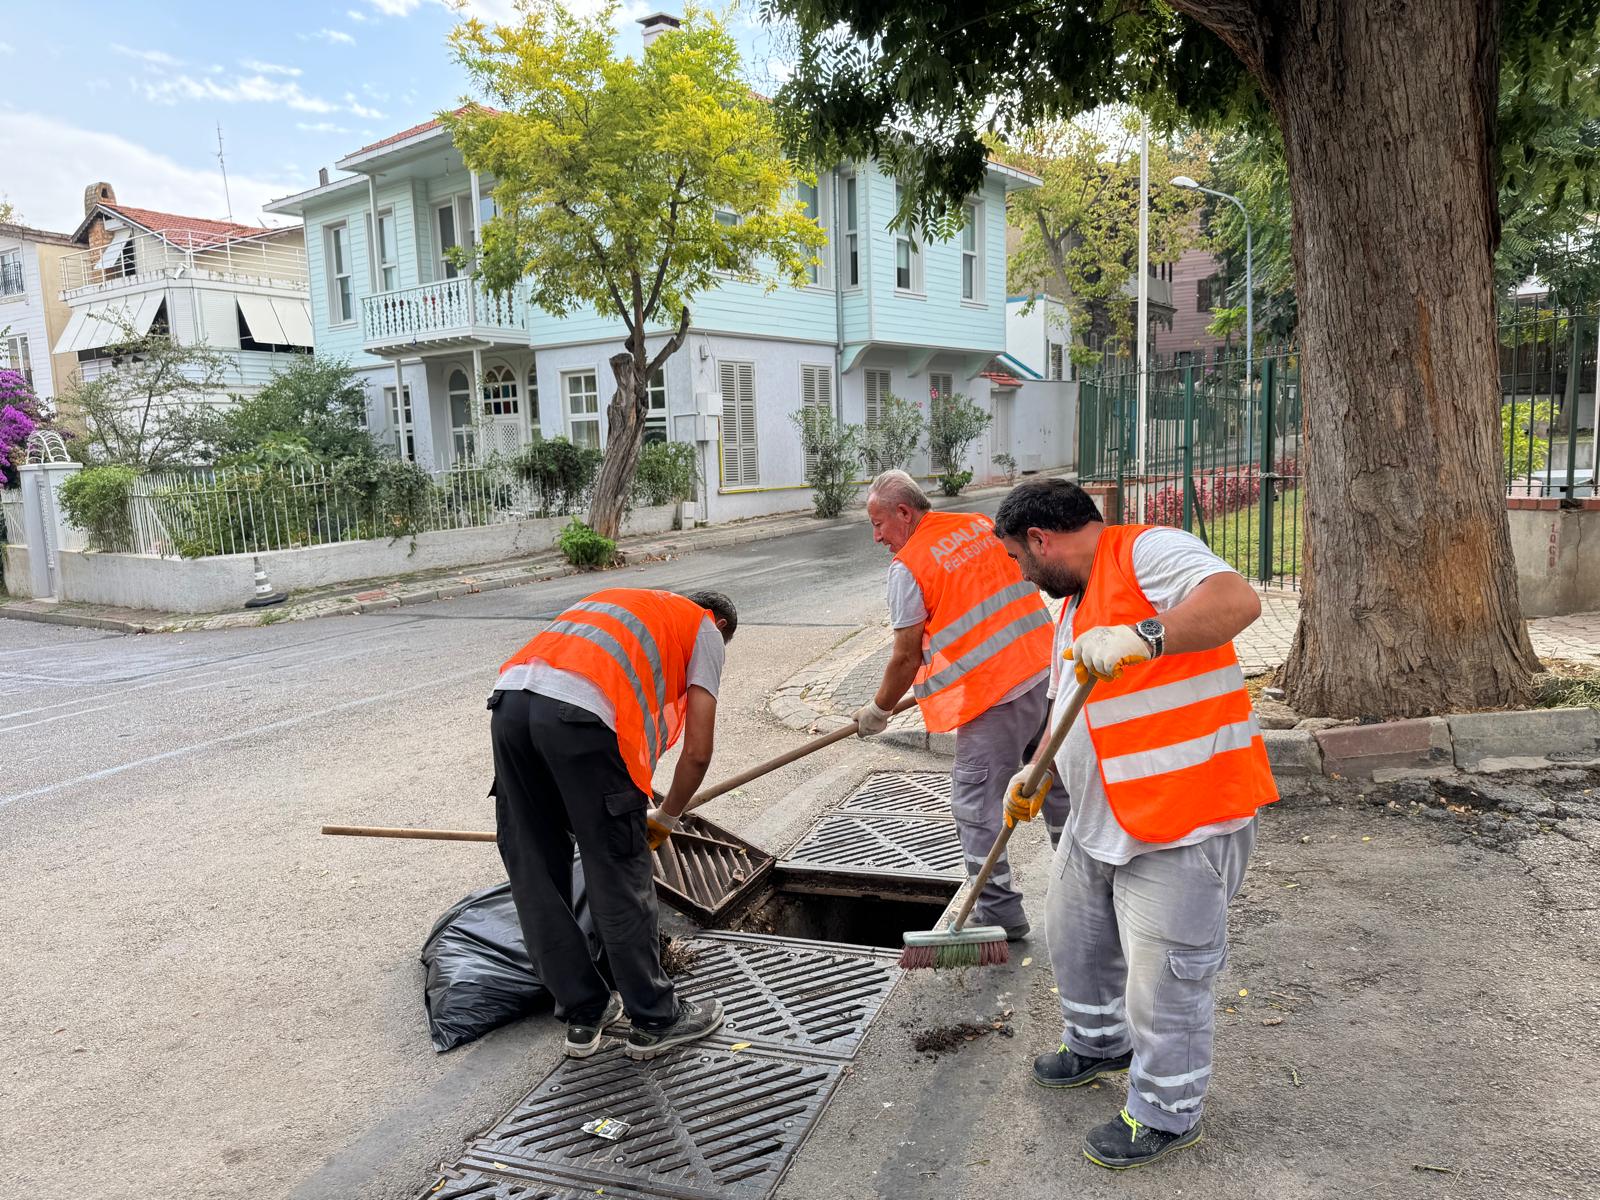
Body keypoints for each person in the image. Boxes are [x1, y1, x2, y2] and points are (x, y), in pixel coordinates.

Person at [992, 478, 1278, 1169]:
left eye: (1019, 560)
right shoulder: (1071, 603)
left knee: (1165, 981)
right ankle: (1097, 1044)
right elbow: (1074, 709)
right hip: (1101, 819)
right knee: (1075, 944)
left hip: (1184, 821)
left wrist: (1146, 634)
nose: (1021, 574)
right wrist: (1036, 771)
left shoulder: (1147, 551)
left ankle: (1167, 1113)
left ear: (1041, 539)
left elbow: (1238, 601)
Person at [488, 586, 737, 1060]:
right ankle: (656, 1019)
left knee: (535, 871)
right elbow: (698, 751)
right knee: (616, 864)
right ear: (721, 625)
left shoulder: (626, 606)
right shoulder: (706, 628)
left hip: (509, 707)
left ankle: (585, 1013)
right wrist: (664, 817)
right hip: (578, 716)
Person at [853, 469, 1068, 939]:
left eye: (878, 524)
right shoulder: (975, 524)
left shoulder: (909, 566)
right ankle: (1085, 885)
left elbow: (906, 655)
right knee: (1054, 785)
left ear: (904, 513)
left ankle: (998, 913)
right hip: (1045, 673)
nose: (876, 537)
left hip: (996, 694)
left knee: (975, 805)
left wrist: (879, 709)